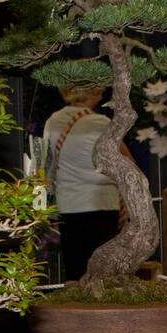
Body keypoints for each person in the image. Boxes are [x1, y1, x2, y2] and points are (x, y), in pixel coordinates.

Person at [43, 85, 120, 282]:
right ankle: (103, 312)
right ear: (93, 91)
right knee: (102, 272)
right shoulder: (100, 122)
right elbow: (120, 162)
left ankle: (74, 310)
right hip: (100, 203)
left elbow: (47, 164)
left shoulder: (53, 120)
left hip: (68, 204)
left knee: (75, 270)